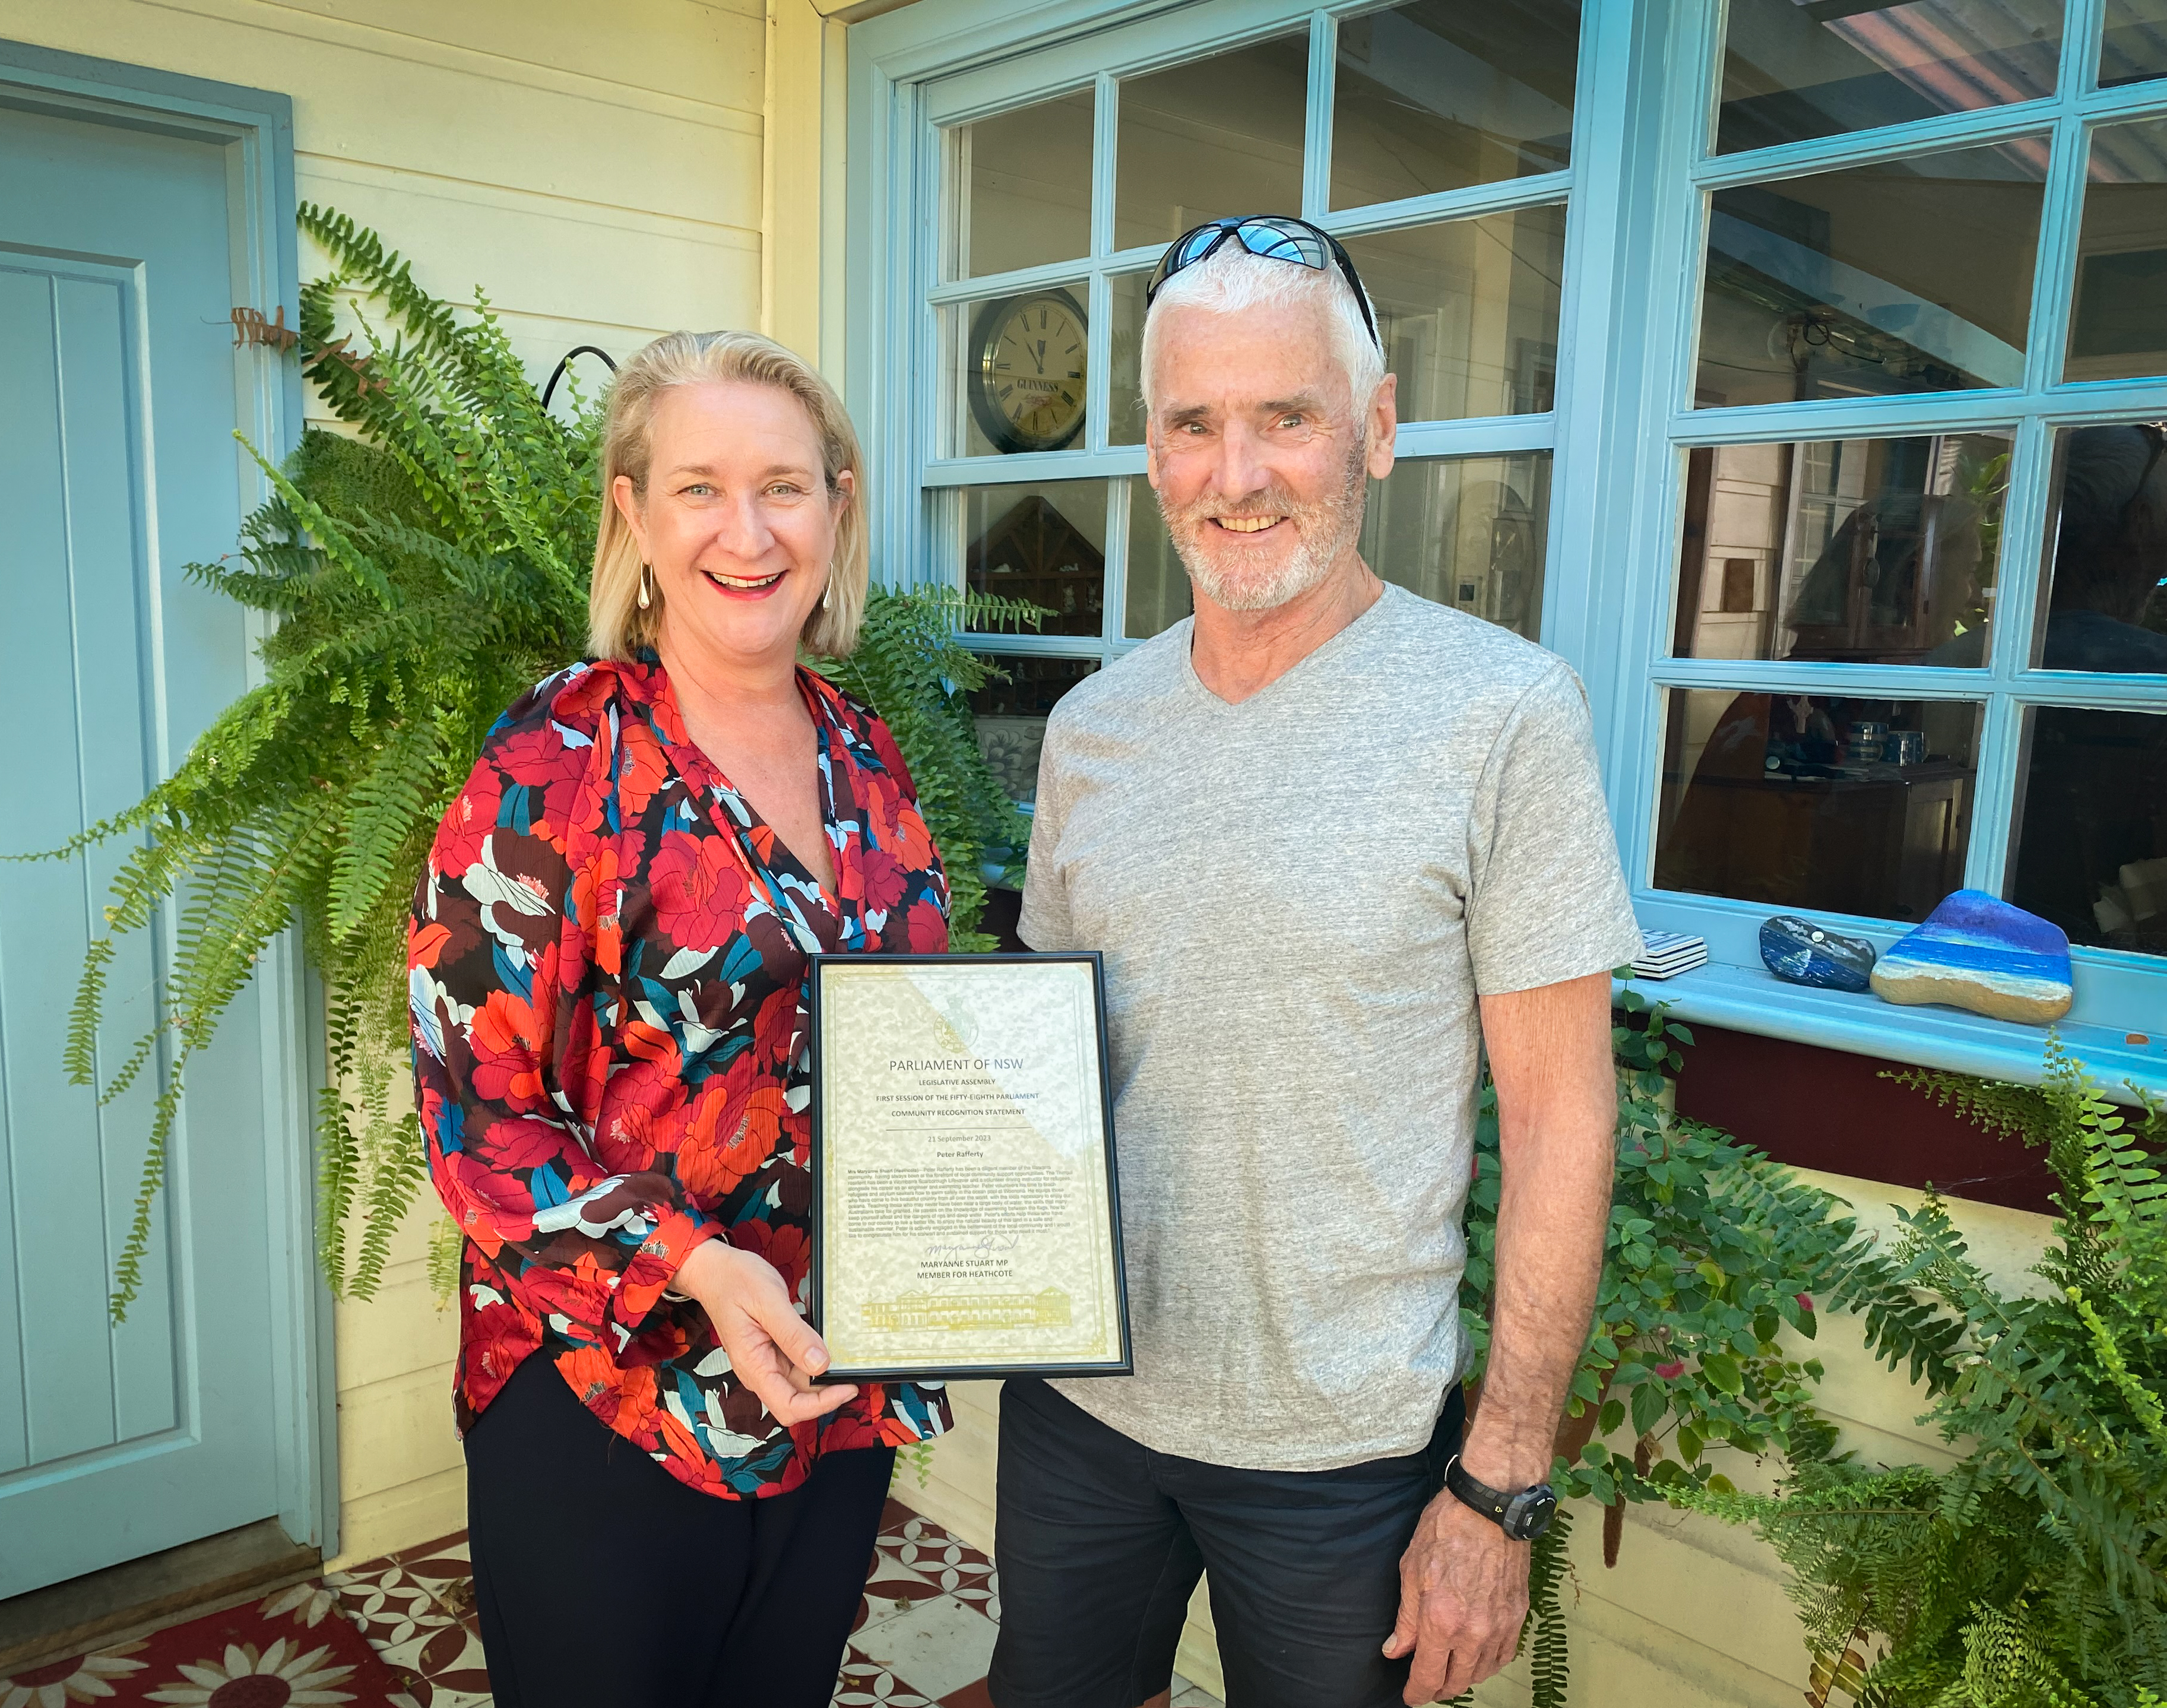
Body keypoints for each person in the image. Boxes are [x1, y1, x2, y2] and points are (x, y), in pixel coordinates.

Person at [987, 217, 1642, 1708]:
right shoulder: (1093, 728)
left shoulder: (1503, 714)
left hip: (1346, 1450)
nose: (1237, 475)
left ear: (1377, 429)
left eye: (1285, 417)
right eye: (1193, 425)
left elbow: (1559, 1120)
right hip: (1082, 1414)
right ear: (1151, 452)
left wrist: (1499, 1484)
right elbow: (1040, 1075)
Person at [407, 329, 952, 1708]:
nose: (748, 531)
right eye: (700, 487)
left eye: (784, 485)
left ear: (837, 505)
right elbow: (475, 1118)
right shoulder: (548, 766)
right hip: (607, 1393)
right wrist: (699, 1264)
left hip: (833, 1381)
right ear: (631, 513)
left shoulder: (864, 756)